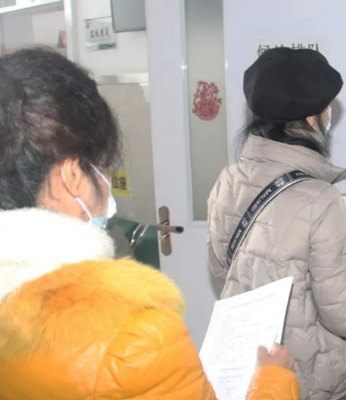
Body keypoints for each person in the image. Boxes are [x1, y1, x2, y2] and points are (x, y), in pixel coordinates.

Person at [0, 48, 299, 400]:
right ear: (72, 177)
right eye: (103, 167)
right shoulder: (133, 339)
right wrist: (274, 379)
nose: (107, 182)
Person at [207, 48, 346, 400]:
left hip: (254, 370)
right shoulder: (321, 198)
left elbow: (221, 268)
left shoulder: (229, 179)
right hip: (310, 379)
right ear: (313, 120)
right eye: (327, 109)